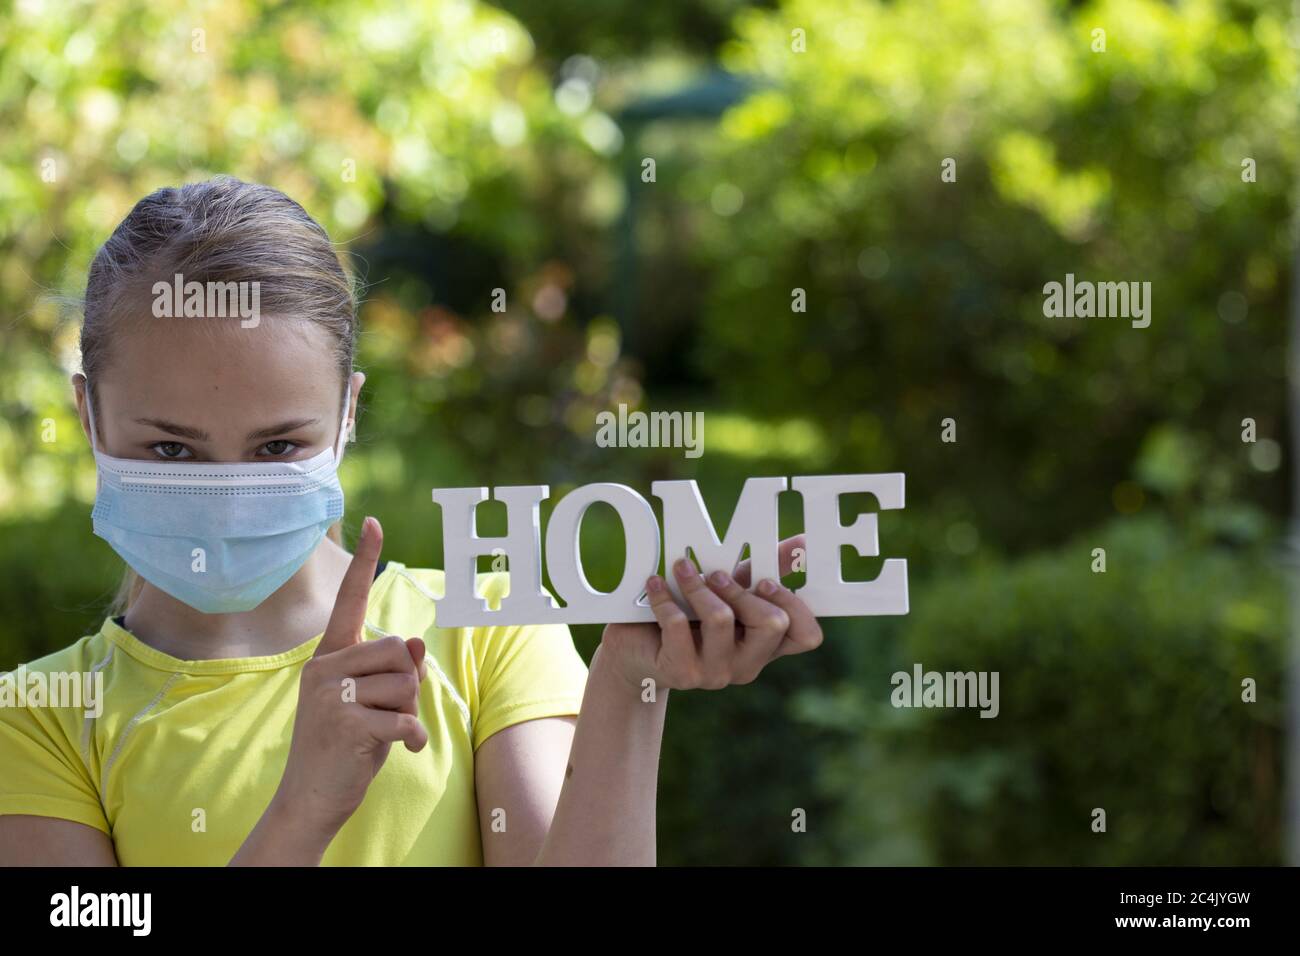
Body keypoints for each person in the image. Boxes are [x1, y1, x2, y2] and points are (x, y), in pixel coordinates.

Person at [0, 177, 823, 866]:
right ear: (89, 413)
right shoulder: (36, 721)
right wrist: (301, 811)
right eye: (173, 451)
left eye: (279, 444)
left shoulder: (489, 625)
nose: (230, 491)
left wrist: (633, 685)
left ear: (347, 413)